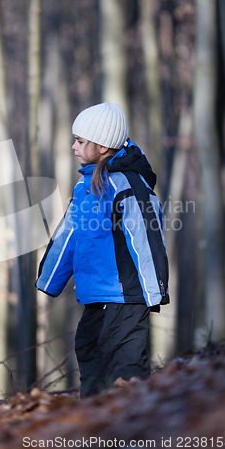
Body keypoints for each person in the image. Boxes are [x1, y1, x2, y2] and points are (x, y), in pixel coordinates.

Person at [35, 102, 169, 398]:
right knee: (88, 345)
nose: (73, 146)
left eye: (80, 141)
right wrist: (49, 280)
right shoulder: (86, 187)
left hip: (128, 293)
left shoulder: (130, 186)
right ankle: (96, 414)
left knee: (123, 355)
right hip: (98, 291)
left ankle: (132, 421)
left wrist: (153, 291)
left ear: (103, 145)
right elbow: (69, 235)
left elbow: (146, 240)